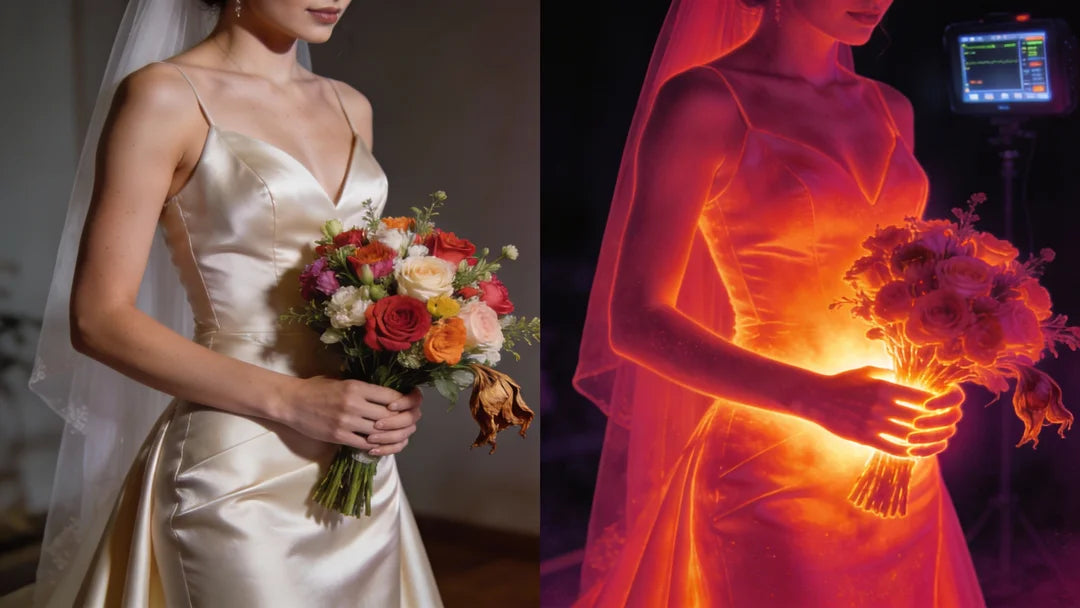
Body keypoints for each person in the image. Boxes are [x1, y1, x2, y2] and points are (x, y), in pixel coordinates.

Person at [573, 0, 986, 605]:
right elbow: (635, 322)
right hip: (771, 464)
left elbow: (904, 285)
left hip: (892, 448)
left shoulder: (891, 108)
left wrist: (938, 373)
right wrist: (818, 398)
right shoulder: (705, 101)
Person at [29, 0, 441, 605]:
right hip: (237, 469)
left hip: (355, 460)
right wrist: (292, 398)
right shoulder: (164, 96)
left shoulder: (351, 105)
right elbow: (97, 318)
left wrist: (392, 390)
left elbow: (356, 284)